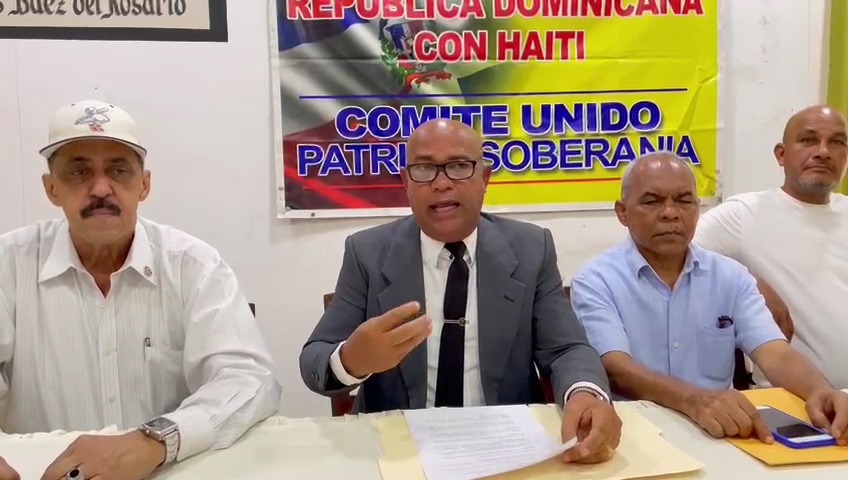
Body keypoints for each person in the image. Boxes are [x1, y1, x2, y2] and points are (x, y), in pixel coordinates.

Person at [299, 119, 622, 464]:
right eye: (424, 169)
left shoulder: (531, 248)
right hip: (400, 449)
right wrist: (351, 360)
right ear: (406, 182)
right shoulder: (367, 253)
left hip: (505, 445)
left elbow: (566, 349)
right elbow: (314, 359)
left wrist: (585, 393)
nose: (441, 183)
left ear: (485, 178)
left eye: (458, 166)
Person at [0, 100, 282, 480]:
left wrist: (156, 441)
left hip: (167, 469)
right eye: (79, 171)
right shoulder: (8, 264)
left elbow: (250, 379)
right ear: (51, 188)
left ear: (144, 185)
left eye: (119, 170)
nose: (101, 188)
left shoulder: (192, 265)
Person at [570, 152, 848, 445]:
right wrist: (694, 401)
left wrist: (821, 391)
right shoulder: (596, 280)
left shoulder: (731, 276)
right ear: (622, 212)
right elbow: (616, 369)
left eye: (684, 201)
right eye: (652, 201)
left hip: (720, 432)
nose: (670, 213)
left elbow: (775, 352)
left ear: (697, 209)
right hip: (634, 434)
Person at [694, 105, 848, 389]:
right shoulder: (744, 214)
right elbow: (677, 255)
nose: (823, 152)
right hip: (789, 399)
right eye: (809, 140)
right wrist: (749, 283)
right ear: (781, 154)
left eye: (837, 142)